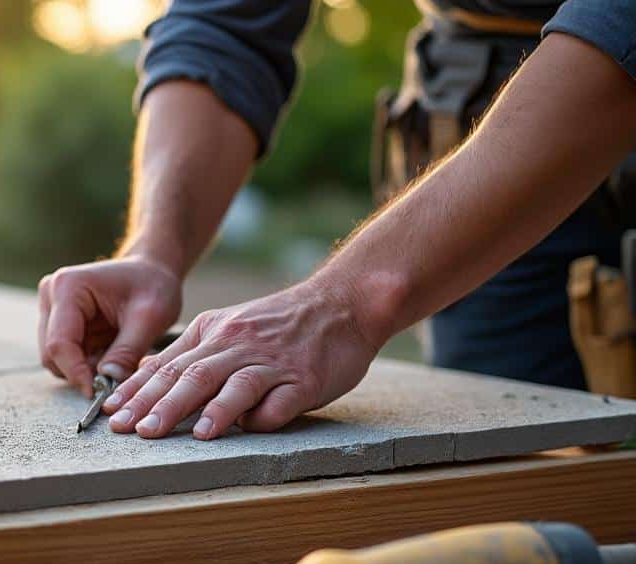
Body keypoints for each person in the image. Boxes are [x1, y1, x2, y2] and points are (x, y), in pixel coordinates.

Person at [37, 0, 636, 440]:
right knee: (512, 498)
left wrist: (346, 301)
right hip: (481, 97)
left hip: (598, 65)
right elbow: (225, 26)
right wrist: (154, 251)